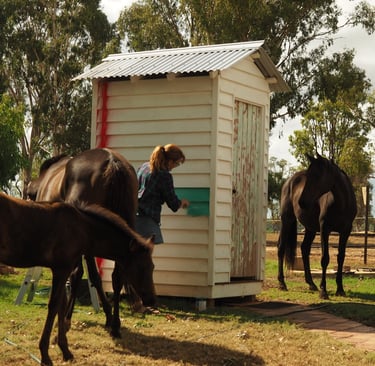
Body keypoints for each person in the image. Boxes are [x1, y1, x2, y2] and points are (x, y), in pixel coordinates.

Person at [136, 144, 189, 244]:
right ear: (169, 161)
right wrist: (182, 203)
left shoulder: (144, 167)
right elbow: (173, 203)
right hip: (147, 220)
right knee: (143, 256)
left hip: (133, 216)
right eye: (176, 164)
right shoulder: (164, 175)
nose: (174, 167)